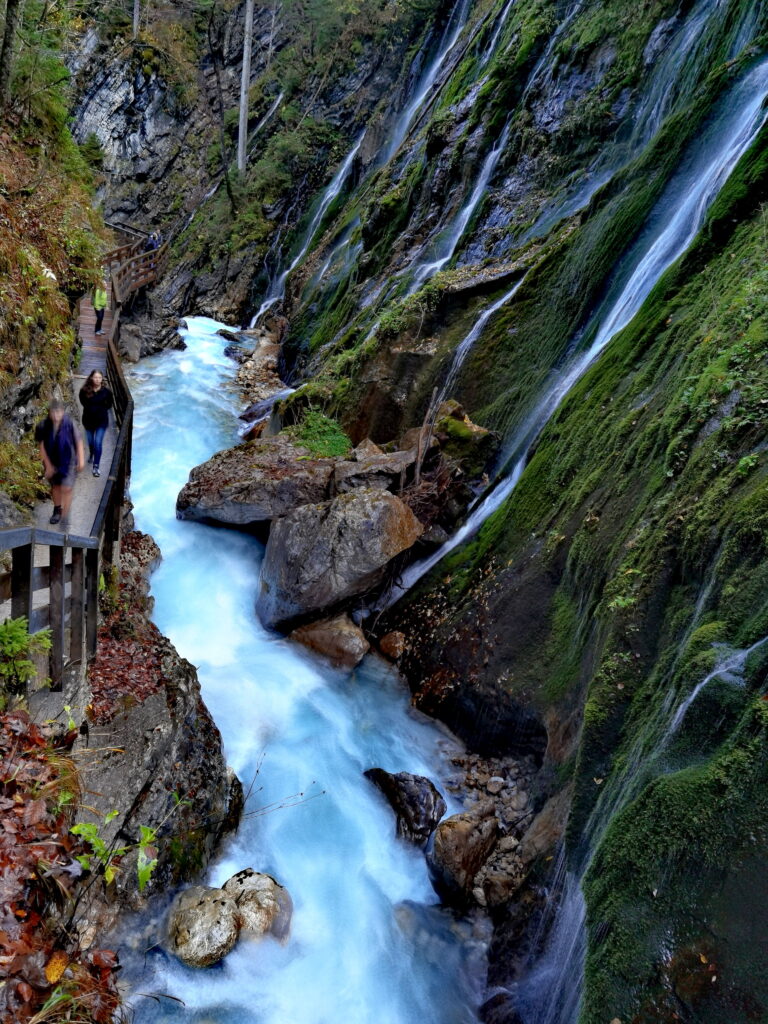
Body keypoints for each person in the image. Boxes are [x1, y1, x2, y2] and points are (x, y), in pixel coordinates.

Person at [36, 400, 84, 527]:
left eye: (59, 412)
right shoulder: (42, 426)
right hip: (52, 460)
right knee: (56, 487)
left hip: (69, 460)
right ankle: (57, 510)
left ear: (63, 412)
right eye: (54, 412)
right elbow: (41, 446)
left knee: (67, 488)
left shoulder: (69, 423)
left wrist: (81, 459)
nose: (56, 416)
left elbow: (78, 441)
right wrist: (48, 465)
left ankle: (65, 515)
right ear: (49, 413)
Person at [79, 369, 113, 478]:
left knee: (98, 442)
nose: (98, 379)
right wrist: (90, 409)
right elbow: (82, 401)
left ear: (102, 379)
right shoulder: (85, 390)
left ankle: (96, 467)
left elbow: (109, 404)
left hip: (101, 421)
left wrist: (100, 410)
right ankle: (91, 453)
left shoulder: (106, 392)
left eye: (99, 377)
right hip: (88, 421)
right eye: (95, 377)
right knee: (91, 442)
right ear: (91, 378)